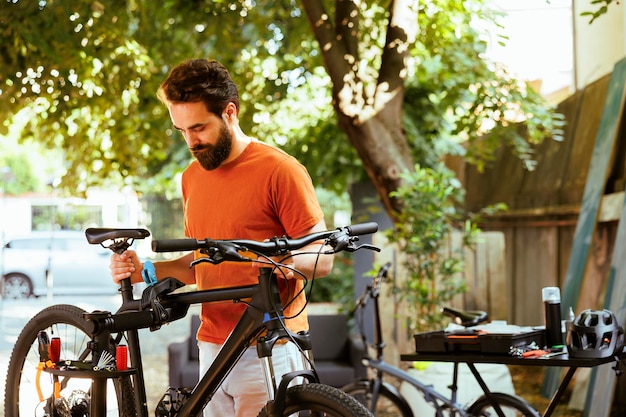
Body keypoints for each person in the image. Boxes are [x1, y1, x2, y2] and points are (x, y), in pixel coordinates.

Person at [109, 58, 333, 417]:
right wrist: (142, 270)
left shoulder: (280, 170)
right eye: (180, 130)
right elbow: (200, 262)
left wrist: (290, 265)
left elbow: (322, 253)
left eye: (198, 127)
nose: (190, 141)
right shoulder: (191, 177)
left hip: (270, 346)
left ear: (229, 112)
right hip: (212, 344)